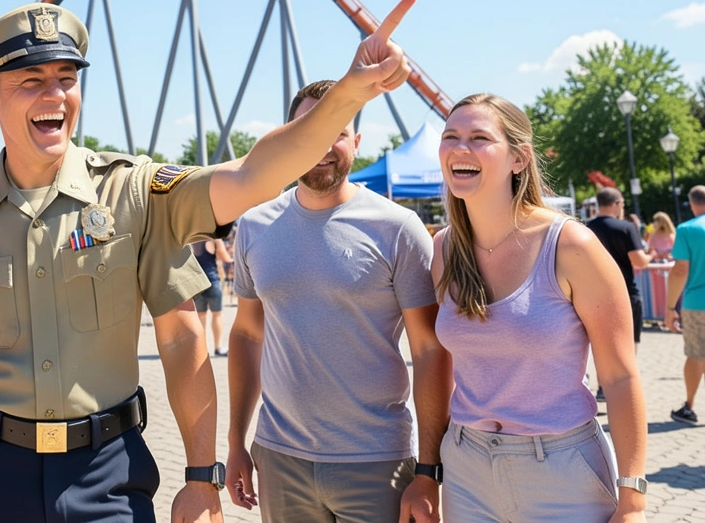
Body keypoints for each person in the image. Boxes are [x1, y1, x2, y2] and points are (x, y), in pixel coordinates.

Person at [0, 0, 415, 523]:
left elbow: (251, 181)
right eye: (31, 82)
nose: (55, 94)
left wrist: (348, 96)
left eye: (66, 79)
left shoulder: (134, 191)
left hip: (108, 469)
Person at [226, 80, 451, 523]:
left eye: (338, 131)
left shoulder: (398, 228)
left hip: (377, 460)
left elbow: (429, 350)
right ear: (289, 135)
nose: (324, 146)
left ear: (357, 142)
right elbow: (248, 335)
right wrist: (236, 443)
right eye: (311, 128)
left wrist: (428, 470)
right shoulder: (254, 226)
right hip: (279, 456)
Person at [432, 93, 647, 522]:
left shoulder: (572, 245)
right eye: (451, 136)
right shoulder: (444, 249)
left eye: (479, 137)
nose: (460, 147)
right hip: (465, 466)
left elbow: (621, 376)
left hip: (561, 469)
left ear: (519, 158)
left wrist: (633, 499)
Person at [586, 187, 650, 353]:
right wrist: (651, 255)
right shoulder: (625, 227)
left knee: (602, 348)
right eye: (622, 203)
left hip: (594, 296)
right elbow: (639, 261)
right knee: (629, 347)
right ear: (615, 203)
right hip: (625, 293)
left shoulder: (586, 228)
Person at [665, 186, 705, 426]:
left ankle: (689, 406)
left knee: (696, 354)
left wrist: (670, 308)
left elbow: (680, 269)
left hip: (697, 303)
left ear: (691, 203)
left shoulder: (687, 229)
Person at [190, 238, 232, 357]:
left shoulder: (190, 238)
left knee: (200, 316)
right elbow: (225, 257)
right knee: (216, 314)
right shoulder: (214, 239)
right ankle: (218, 348)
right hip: (212, 281)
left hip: (196, 283)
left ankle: (201, 349)